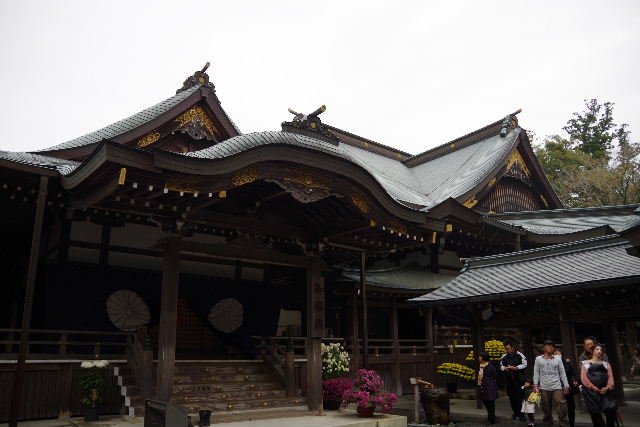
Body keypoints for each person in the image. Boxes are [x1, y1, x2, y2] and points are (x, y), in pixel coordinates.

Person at [533, 340, 570, 427]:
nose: (550, 347)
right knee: (546, 409)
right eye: (548, 345)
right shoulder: (538, 359)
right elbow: (536, 373)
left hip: (557, 387)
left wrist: (566, 386)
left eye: (552, 346)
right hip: (544, 387)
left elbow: (562, 373)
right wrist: (535, 385)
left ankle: (564, 424)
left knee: (562, 408)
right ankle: (548, 424)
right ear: (544, 347)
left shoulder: (558, 359)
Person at [581, 344, 617, 427]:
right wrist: (592, 387)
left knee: (611, 411)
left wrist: (608, 387)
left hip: (605, 391)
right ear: (593, 351)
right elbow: (584, 378)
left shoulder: (606, 364)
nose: (599, 351)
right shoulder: (585, 364)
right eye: (597, 349)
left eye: (601, 350)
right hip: (590, 392)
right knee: (595, 415)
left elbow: (611, 378)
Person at [501, 341, 528, 422]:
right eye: (506, 349)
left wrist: (516, 368)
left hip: (518, 379)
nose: (507, 350)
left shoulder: (520, 355)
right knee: (511, 397)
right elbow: (501, 366)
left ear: (513, 347)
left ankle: (521, 414)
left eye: (508, 348)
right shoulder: (504, 356)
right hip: (509, 379)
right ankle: (515, 412)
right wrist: (504, 368)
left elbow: (525, 364)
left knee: (520, 397)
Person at [555, 349, 579, 427]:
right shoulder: (551, 364)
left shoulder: (567, 363)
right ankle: (563, 424)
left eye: (559, 354)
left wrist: (574, 380)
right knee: (560, 408)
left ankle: (572, 424)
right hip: (557, 388)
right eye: (555, 354)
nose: (557, 355)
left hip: (568, 388)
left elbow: (573, 374)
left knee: (570, 408)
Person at [478, 351, 499, 425]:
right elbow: (480, 376)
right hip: (483, 387)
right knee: (486, 402)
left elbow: (495, 376)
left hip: (490, 387)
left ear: (483, 358)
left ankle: (491, 419)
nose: (479, 357)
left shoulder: (490, 366)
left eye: (480, 356)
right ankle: (490, 417)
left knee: (490, 404)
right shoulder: (481, 366)